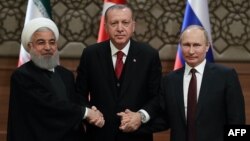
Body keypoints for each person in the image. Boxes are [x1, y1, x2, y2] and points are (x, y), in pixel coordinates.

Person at [7, 17, 104, 141]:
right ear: (30, 46)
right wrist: (86, 112)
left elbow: (75, 101)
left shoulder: (65, 74)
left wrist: (90, 110)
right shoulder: (22, 76)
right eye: (41, 42)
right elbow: (47, 105)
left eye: (52, 42)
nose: (48, 47)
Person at [75, 4, 162, 141]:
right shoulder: (90, 54)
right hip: (99, 134)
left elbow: (157, 97)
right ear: (106, 27)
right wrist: (89, 113)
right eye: (114, 23)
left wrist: (141, 116)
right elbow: (79, 94)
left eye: (125, 23)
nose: (120, 28)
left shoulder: (149, 55)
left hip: (136, 136)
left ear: (133, 26)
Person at [145, 25, 246, 141]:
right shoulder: (169, 80)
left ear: (207, 46)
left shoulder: (226, 76)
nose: (191, 51)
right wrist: (135, 122)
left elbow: (237, 122)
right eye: (186, 45)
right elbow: (163, 120)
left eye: (197, 45)